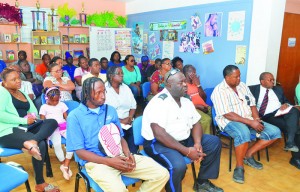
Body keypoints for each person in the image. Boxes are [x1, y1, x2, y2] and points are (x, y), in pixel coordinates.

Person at [66, 77, 169, 192]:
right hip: (97, 163)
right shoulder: (74, 117)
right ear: (86, 94)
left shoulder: (110, 110)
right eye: (98, 92)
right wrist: (109, 161)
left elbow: (120, 137)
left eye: (104, 91)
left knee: (162, 174)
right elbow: (80, 152)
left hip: (120, 155)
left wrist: (128, 153)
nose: (103, 96)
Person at [142, 69, 223, 192]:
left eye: (185, 81)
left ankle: (201, 182)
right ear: (169, 85)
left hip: (183, 139)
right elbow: (159, 134)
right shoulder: (159, 102)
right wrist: (186, 151)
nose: (185, 85)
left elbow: (196, 123)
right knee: (178, 166)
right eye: (181, 82)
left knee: (213, 142)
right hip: (159, 143)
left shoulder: (185, 101)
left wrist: (197, 143)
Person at [211, 65, 281, 184]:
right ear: (227, 77)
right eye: (236, 77)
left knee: (275, 132)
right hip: (230, 121)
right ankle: (239, 167)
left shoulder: (242, 86)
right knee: (243, 133)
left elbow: (252, 104)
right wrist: (250, 122)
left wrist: (256, 119)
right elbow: (228, 114)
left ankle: (248, 155)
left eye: (239, 76)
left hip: (249, 119)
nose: (239, 79)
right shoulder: (219, 91)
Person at [0, 68, 60, 192]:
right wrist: (23, 120)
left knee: (52, 122)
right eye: (14, 79)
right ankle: (40, 183)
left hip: (26, 126)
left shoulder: (22, 92)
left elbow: (33, 111)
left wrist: (32, 117)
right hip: (7, 130)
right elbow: (1, 114)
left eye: (18, 78)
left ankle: (33, 141)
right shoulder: (2, 92)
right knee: (42, 144)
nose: (18, 81)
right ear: (4, 82)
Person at [249, 72, 300, 168]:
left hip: (280, 112)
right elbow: (248, 105)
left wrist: (286, 105)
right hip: (266, 116)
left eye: (273, 80)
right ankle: (295, 157)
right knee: (296, 129)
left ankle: (290, 143)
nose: (273, 82)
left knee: (293, 110)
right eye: (270, 80)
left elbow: (286, 101)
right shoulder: (252, 89)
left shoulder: (278, 89)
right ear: (262, 81)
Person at [39, 87, 73, 180]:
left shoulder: (61, 105)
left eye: (57, 100)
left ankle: (66, 163)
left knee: (73, 141)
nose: (55, 103)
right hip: (52, 128)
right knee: (57, 145)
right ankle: (64, 166)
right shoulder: (44, 107)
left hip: (63, 126)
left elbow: (67, 117)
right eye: (52, 101)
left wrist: (70, 126)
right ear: (47, 98)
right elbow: (42, 121)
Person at [105, 66, 138, 153]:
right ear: (111, 76)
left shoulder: (126, 88)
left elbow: (133, 105)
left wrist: (130, 117)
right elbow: (104, 111)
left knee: (132, 138)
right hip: (112, 123)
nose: (122, 75)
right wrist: (119, 121)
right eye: (119, 74)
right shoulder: (104, 89)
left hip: (128, 122)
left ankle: (133, 155)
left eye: (122, 73)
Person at [183, 65, 212, 134]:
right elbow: (183, 103)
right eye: (193, 72)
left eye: (195, 73)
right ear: (187, 73)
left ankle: (209, 134)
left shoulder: (195, 83)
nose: (195, 75)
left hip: (204, 106)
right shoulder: (183, 85)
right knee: (206, 120)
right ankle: (205, 140)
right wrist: (198, 106)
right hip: (194, 108)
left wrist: (198, 85)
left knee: (217, 115)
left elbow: (204, 98)